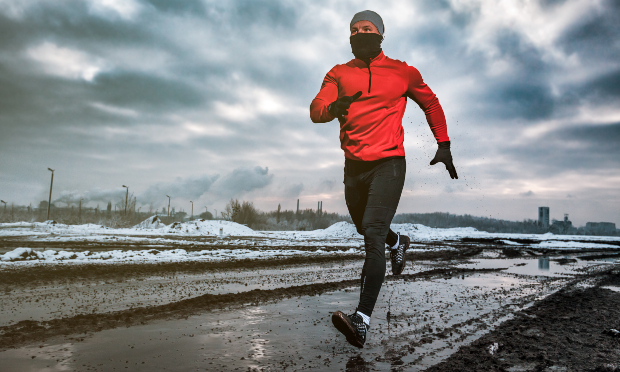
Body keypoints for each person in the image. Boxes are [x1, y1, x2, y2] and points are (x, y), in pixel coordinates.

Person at [310, 10, 458, 348]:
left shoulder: (403, 72)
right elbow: (316, 109)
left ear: (380, 34)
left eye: (366, 28)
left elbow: (431, 103)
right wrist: (334, 109)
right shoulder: (338, 73)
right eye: (353, 30)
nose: (359, 33)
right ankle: (398, 242)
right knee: (366, 227)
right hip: (354, 166)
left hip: (390, 163)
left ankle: (361, 320)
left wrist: (444, 142)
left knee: (371, 233)